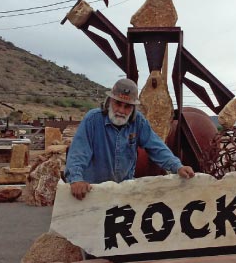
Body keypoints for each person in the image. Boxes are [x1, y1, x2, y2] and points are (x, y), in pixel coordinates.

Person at [64, 78, 195, 200]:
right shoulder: (92, 120)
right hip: (92, 192)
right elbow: (78, 152)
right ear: (109, 101)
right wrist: (76, 179)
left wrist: (177, 166)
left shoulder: (138, 122)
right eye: (118, 104)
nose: (121, 110)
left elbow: (156, 147)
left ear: (133, 108)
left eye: (127, 106)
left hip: (123, 191)